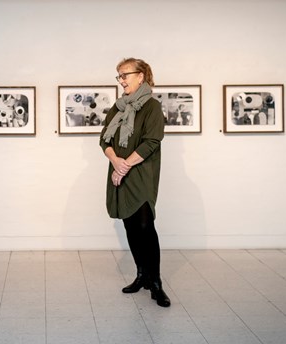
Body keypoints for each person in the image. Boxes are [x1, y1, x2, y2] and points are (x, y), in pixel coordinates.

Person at [100, 57, 170, 307]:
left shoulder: (151, 107)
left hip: (141, 174)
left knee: (144, 226)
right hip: (120, 172)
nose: (121, 80)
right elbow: (104, 141)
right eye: (118, 76)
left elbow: (151, 142)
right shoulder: (118, 108)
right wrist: (115, 162)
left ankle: (156, 283)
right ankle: (141, 275)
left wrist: (124, 165)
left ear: (141, 76)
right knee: (130, 226)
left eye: (124, 75)